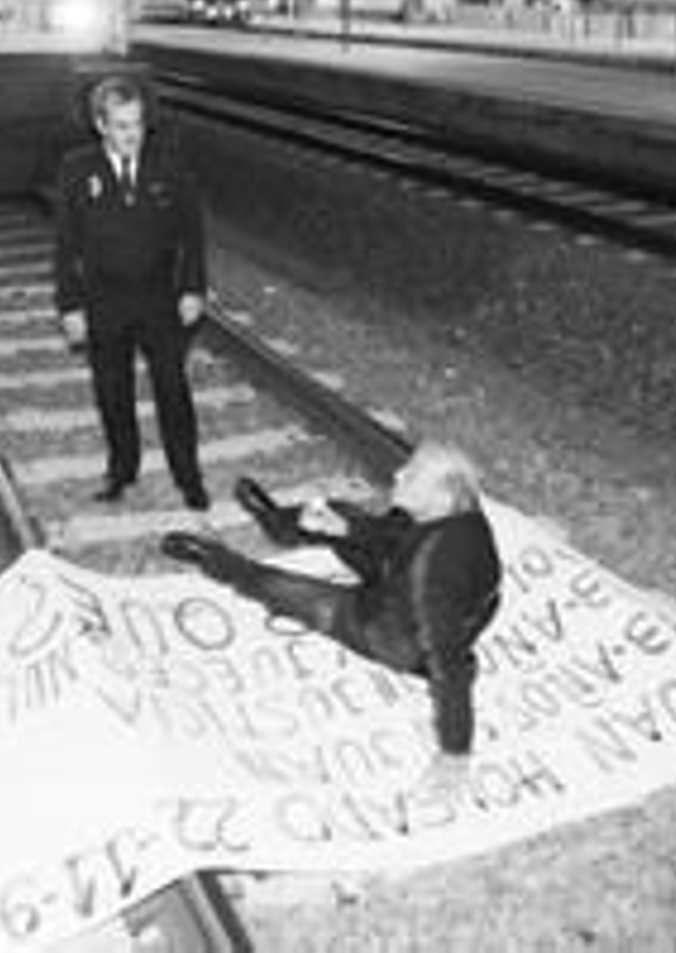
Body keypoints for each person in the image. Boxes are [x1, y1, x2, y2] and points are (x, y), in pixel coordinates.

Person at [161, 442, 503, 791]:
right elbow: (398, 538)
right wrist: (344, 531)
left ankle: (217, 561)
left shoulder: (433, 570)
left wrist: (455, 754)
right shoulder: (459, 514)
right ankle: (276, 523)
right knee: (339, 513)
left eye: (412, 475)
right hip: (399, 577)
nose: (399, 473)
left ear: (442, 496)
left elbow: (448, 662)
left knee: (287, 590)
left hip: (389, 631)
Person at [55, 74, 209, 510]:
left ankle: (188, 476)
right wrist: (70, 305)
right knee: (112, 391)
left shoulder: (169, 167)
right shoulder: (76, 169)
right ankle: (122, 470)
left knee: (172, 389)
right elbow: (65, 244)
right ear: (101, 125)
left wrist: (193, 287)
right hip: (103, 300)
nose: (131, 135)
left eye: (137, 125)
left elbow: (191, 233)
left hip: (158, 298)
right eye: (121, 126)